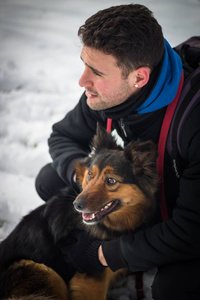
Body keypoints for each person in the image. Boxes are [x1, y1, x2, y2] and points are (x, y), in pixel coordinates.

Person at [35, 4, 200, 300]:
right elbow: (63, 136)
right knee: (49, 179)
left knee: (174, 288)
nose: (82, 81)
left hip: (187, 216)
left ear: (138, 78)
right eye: (84, 64)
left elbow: (192, 230)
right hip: (140, 195)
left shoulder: (194, 121)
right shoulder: (108, 91)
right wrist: (86, 177)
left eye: (96, 72)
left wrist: (106, 254)